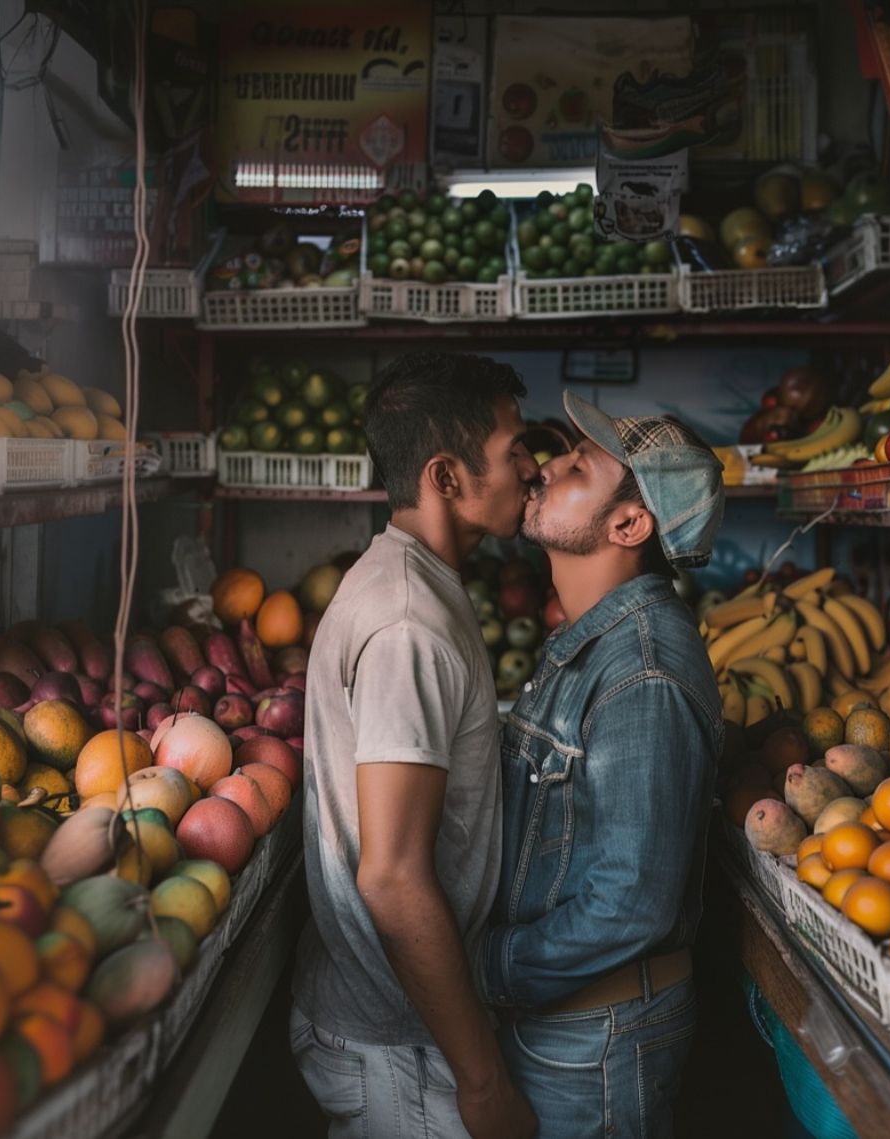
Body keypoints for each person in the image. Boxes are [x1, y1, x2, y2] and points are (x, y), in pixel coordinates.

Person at [290, 352, 539, 1139]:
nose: (533, 468)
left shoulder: (419, 581)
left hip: (401, 1026)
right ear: (446, 475)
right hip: (400, 1048)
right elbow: (393, 877)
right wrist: (483, 1075)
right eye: (513, 450)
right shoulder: (408, 625)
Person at [476, 391, 725, 1138]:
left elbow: (630, 902)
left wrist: (485, 965)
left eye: (578, 465)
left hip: (596, 1042)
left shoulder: (641, 670)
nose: (547, 466)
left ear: (627, 523)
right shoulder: (589, 643)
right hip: (567, 1024)